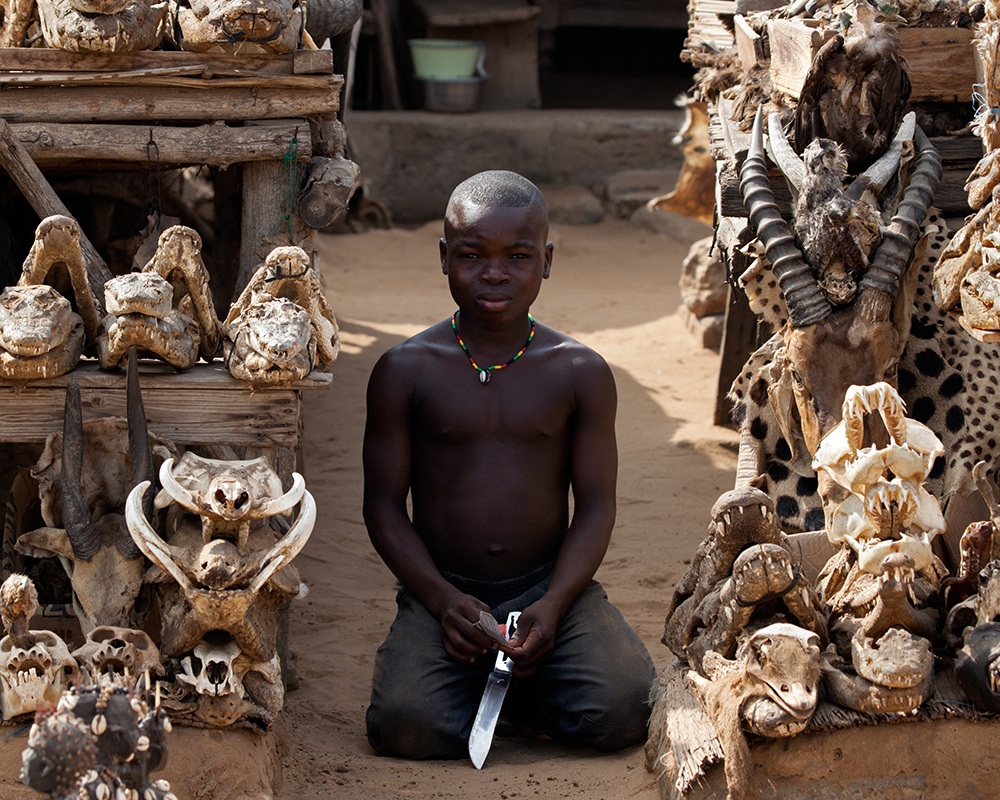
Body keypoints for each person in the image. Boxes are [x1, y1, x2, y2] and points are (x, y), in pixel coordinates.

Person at [363, 169, 656, 760]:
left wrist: (553, 604)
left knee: (627, 709)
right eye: (472, 256)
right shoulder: (405, 370)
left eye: (518, 256)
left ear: (546, 260)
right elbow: (383, 507)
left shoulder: (579, 371)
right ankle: (499, 679)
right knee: (404, 728)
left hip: (549, 585)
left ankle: (525, 684)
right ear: (444, 257)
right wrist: (442, 601)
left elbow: (596, 505)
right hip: (444, 589)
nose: (494, 273)